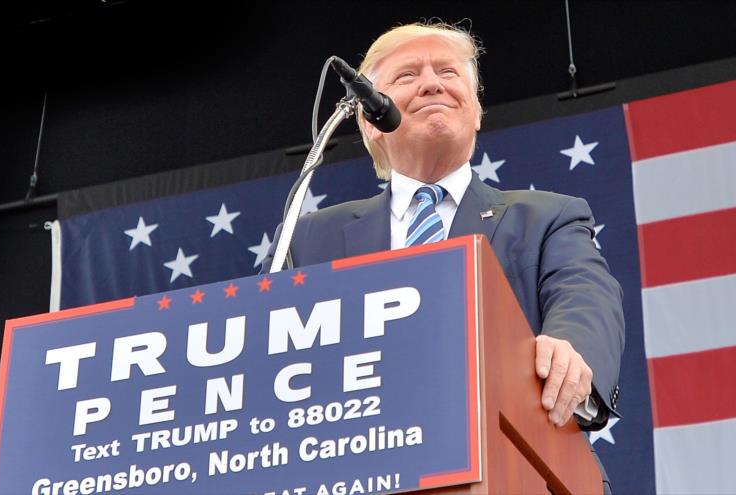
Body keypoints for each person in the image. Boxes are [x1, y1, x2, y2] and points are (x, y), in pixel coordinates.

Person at [263, 21, 624, 491]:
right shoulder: (310, 238)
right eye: (408, 75)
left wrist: (570, 348)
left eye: (449, 72)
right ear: (371, 120)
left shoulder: (547, 217)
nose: (432, 82)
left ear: (475, 111)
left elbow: (585, 296)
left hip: (517, 468)